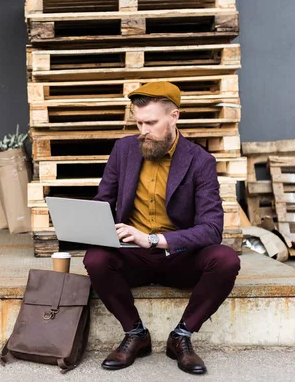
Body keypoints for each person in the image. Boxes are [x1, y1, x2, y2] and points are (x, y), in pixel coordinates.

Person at [83, 81, 241, 375]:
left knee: (226, 259)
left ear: (174, 117)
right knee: (94, 258)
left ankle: (181, 336)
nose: (143, 130)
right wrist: (87, 226)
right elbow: (103, 201)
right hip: (132, 256)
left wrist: (155, 239)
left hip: (179, 256)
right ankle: (135, 333)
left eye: (151, 122)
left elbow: (211, 229)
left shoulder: (200, 161)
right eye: (139, 122)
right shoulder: (123, 150)